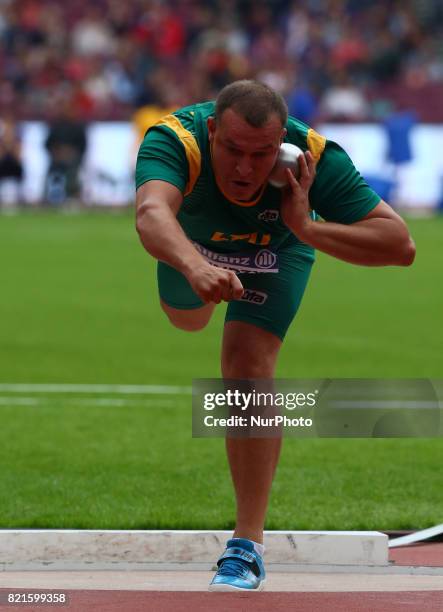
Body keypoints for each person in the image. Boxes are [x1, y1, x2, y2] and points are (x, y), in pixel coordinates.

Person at [135, 80, 415, 591]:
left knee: (245, 367)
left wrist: (307, 228)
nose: (245, 169)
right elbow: (152, 212)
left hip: (275, 254)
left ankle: (246, 546)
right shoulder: (177, 140)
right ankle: (196, 280)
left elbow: (400, 244)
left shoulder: (311, 158)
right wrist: (194, 265)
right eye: (234, 150)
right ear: (213, 130)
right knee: (187, 318)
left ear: (282, 142)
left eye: (261, 155)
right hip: (192, 248)